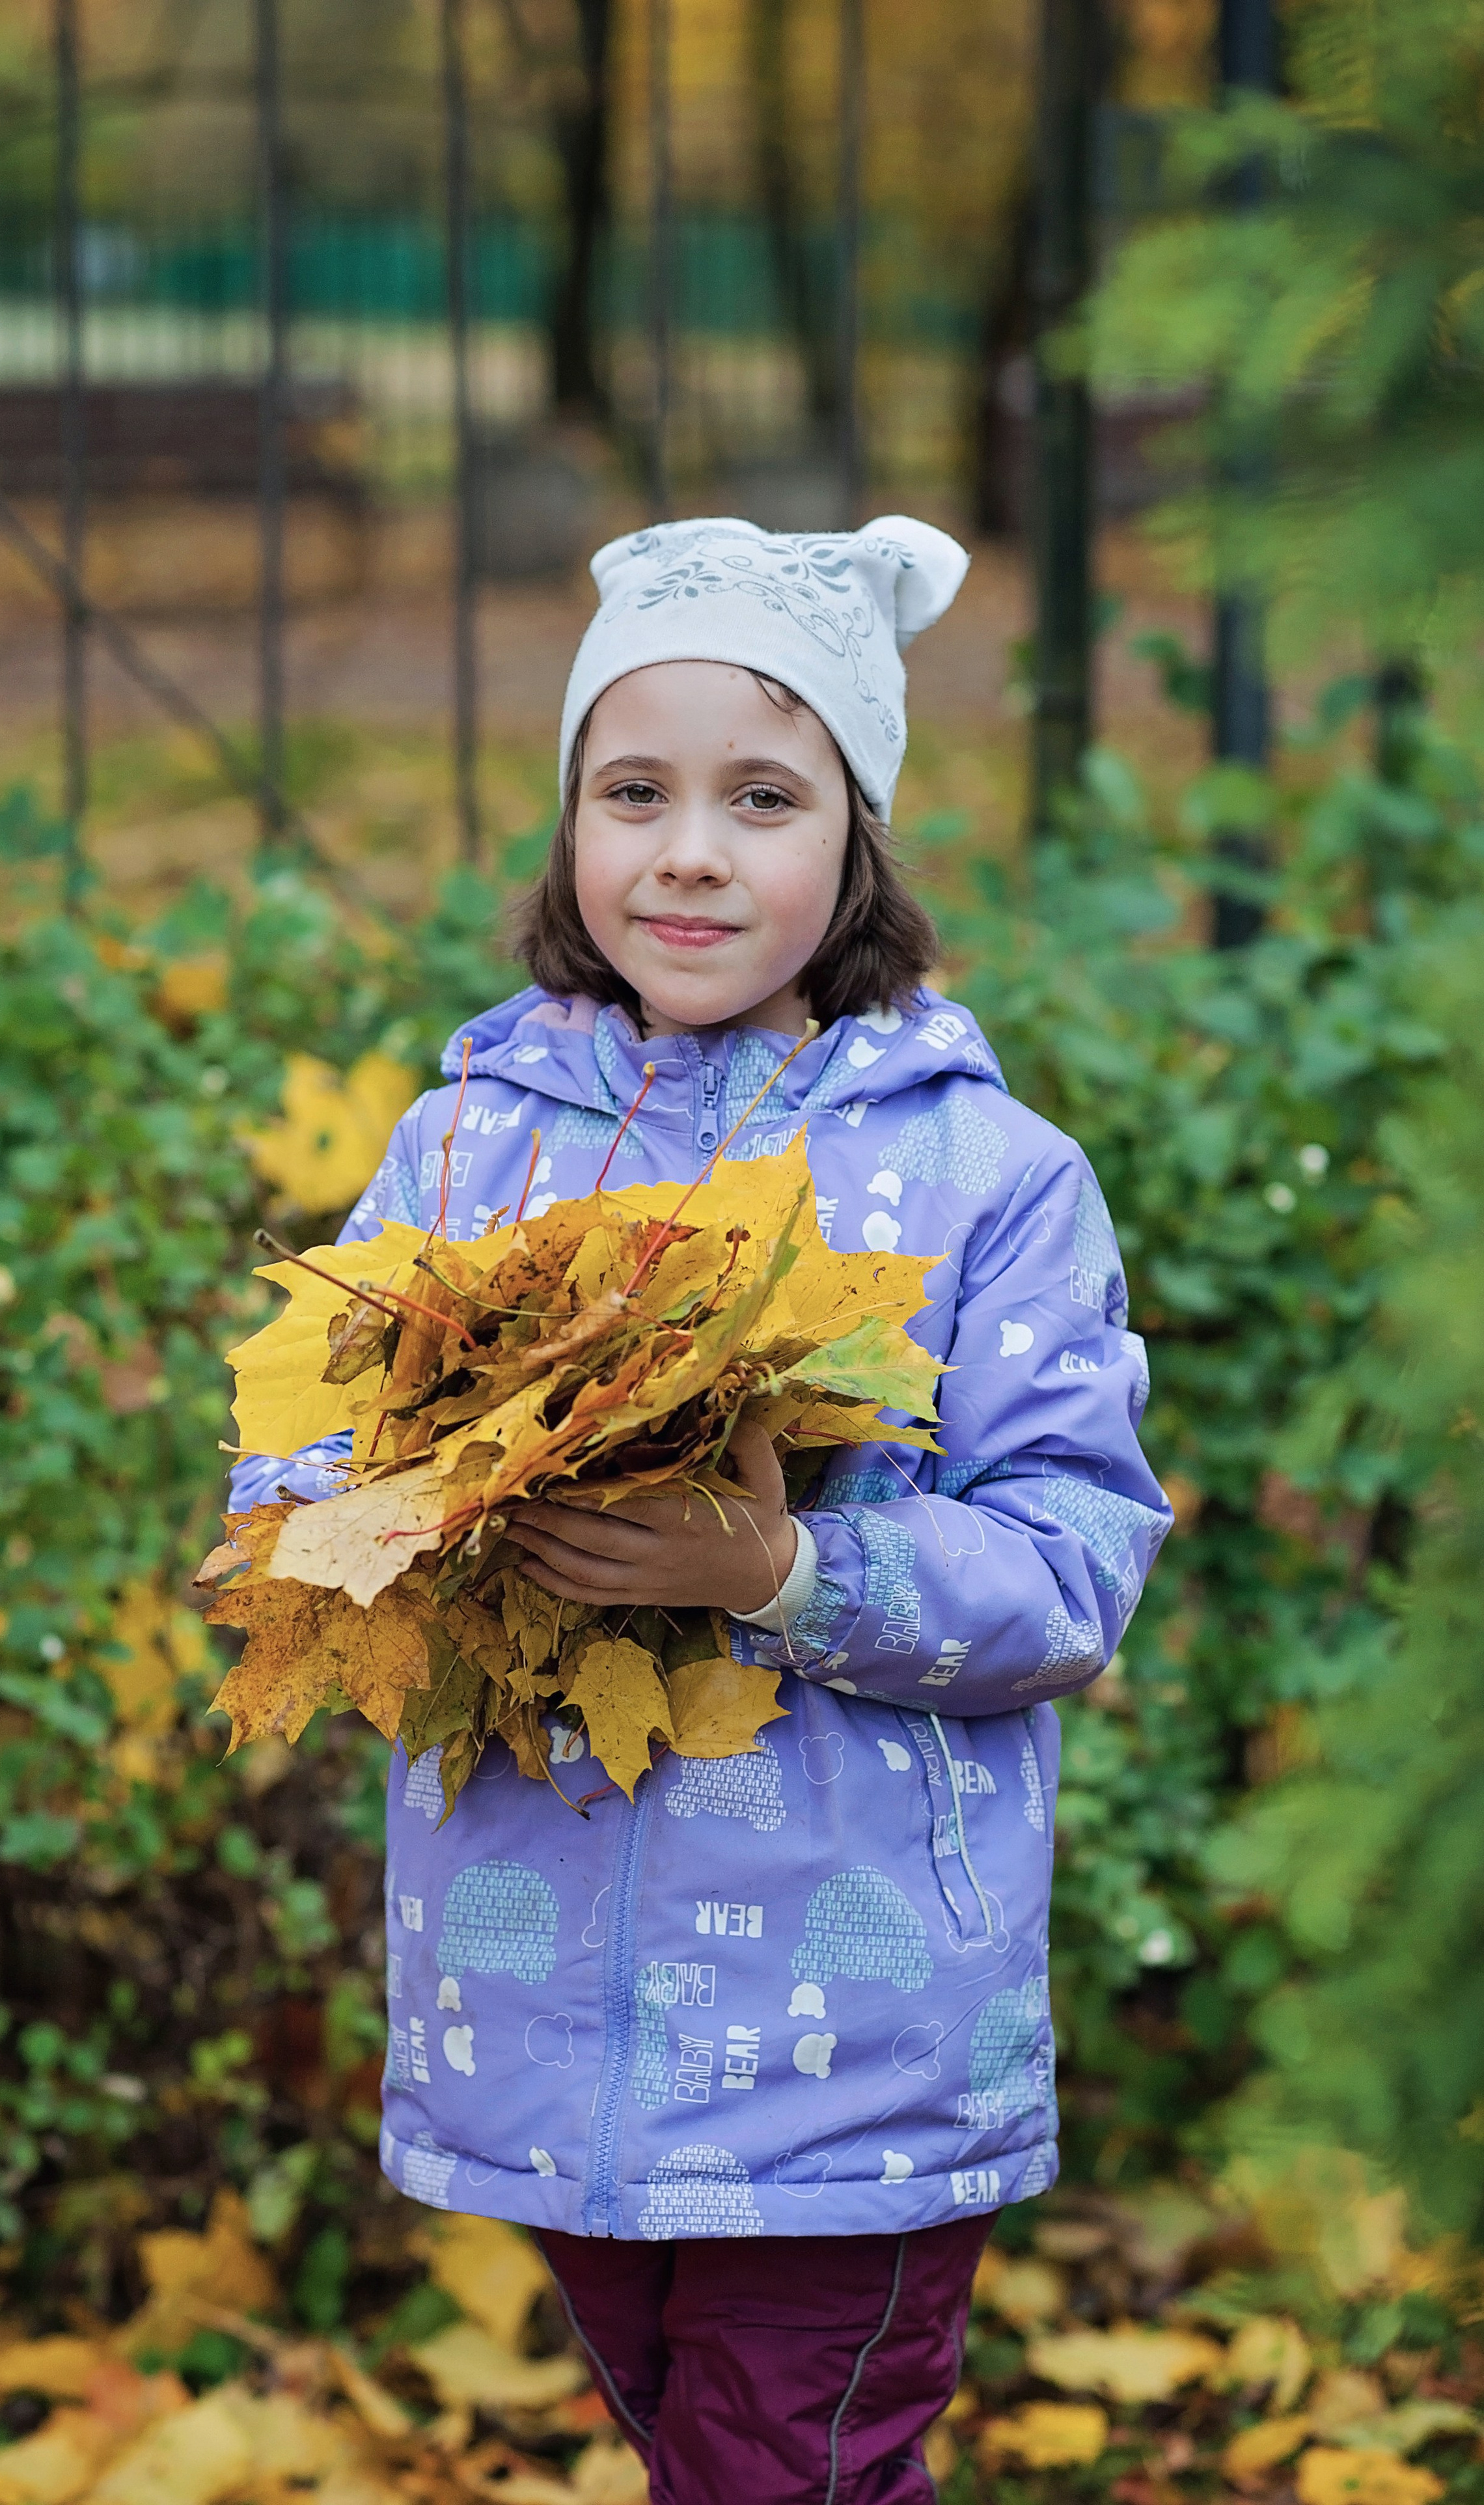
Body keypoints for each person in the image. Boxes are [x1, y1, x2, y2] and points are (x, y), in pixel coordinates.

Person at [230, 516, 1171, 2504]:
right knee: (712, 2453)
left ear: (860, 838)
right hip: (543, 2026)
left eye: (764, 797)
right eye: (632, 790)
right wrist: (372, 1521)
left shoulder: (988, 1177)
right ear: (569, 823)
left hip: (855, 2043)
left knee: (783, 2468)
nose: (689, 849)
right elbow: (304, 1447)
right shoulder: (464, 1141)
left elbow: (1074, 1563)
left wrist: (785, 1570)